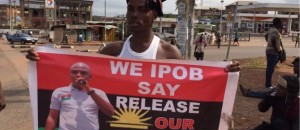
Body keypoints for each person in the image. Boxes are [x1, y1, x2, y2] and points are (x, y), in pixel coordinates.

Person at [26, 0, 240, 72]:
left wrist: (224, 74)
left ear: (154, 14)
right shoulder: (112, 51)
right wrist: (44, 62)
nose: (134, 14)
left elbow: (187, 91)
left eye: (141, 9)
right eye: (130, 8)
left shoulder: (168, 52)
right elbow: (81, 75)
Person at [43, 62, 115, 130]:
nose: (78, 75)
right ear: (69, 74)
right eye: (74, 72)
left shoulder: (98, 93)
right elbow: (52, 117)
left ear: (90, 77)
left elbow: (110, 112)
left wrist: (89, 90)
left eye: (83, 73)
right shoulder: (59, 92)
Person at [265, 17, 283, 89]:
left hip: (269, 51)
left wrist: (268, 43)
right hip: (273, 52)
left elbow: (266, 36)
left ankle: (268, 84)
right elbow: (273, 40)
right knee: (270, 69)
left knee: (270, 68)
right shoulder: (276, 31)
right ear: (278, 23)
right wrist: (277, 50)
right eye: (280, 23)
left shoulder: (270, 30)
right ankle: (268, 84)